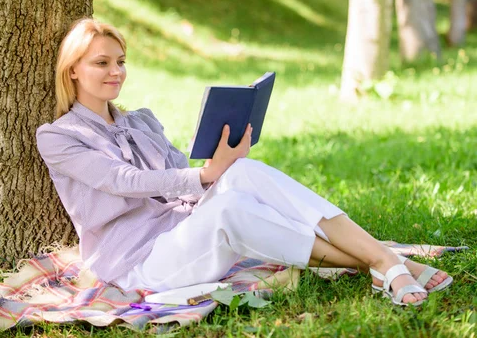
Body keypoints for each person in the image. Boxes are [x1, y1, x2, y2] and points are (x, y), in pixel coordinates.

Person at [36, 18, 452, 307]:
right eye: (102, 63)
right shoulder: (59, 137)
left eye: (120, 61)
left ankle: (380, 260)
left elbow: (182, 180)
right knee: (232, 205)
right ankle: (382, 261)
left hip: (186, 231)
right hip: (140, 263)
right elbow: (120, 180)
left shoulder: (140, 120)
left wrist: (222, 164)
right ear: (72, 70)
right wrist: (206, 174)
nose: (116, 72)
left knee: (244, 172)